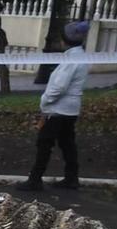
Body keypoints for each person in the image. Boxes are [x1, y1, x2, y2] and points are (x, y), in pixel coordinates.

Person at [20, 20, 89, 191]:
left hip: (58, 109)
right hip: (71, 109)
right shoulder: (81, 57)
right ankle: (71, 177)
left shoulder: (71, 60)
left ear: (65, 40)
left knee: (45, 143)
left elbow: (59, 86)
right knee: (67, 143)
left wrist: (45, 102)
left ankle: (35, 179)